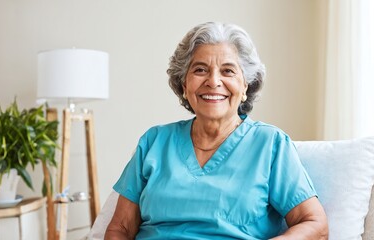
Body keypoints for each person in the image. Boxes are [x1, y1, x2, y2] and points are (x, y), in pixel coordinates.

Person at [105, 22, 328, 239]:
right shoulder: (154, 141)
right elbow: (121, 228)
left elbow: (315, 225)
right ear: (184, 85)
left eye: (228, 71)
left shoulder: (270, 144)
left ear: (245, 86)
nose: (213, 81)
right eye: (200, 69)